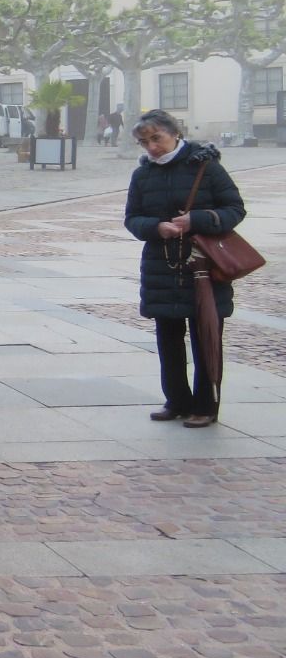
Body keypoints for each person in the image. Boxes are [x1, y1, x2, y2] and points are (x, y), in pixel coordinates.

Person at [124, 110, 246, 428]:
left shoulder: (206, 166)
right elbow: (132, 218)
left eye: (156, 139)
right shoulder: (143, 175)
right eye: (143, 142)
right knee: (168, 337)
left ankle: (206, 405)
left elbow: (234, 208)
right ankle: (176, 400)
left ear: (174, 134)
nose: (151, 147)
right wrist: (156, 226)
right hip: (162, 265)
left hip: (203, 266)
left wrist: (197, 220)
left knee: (205, 337)